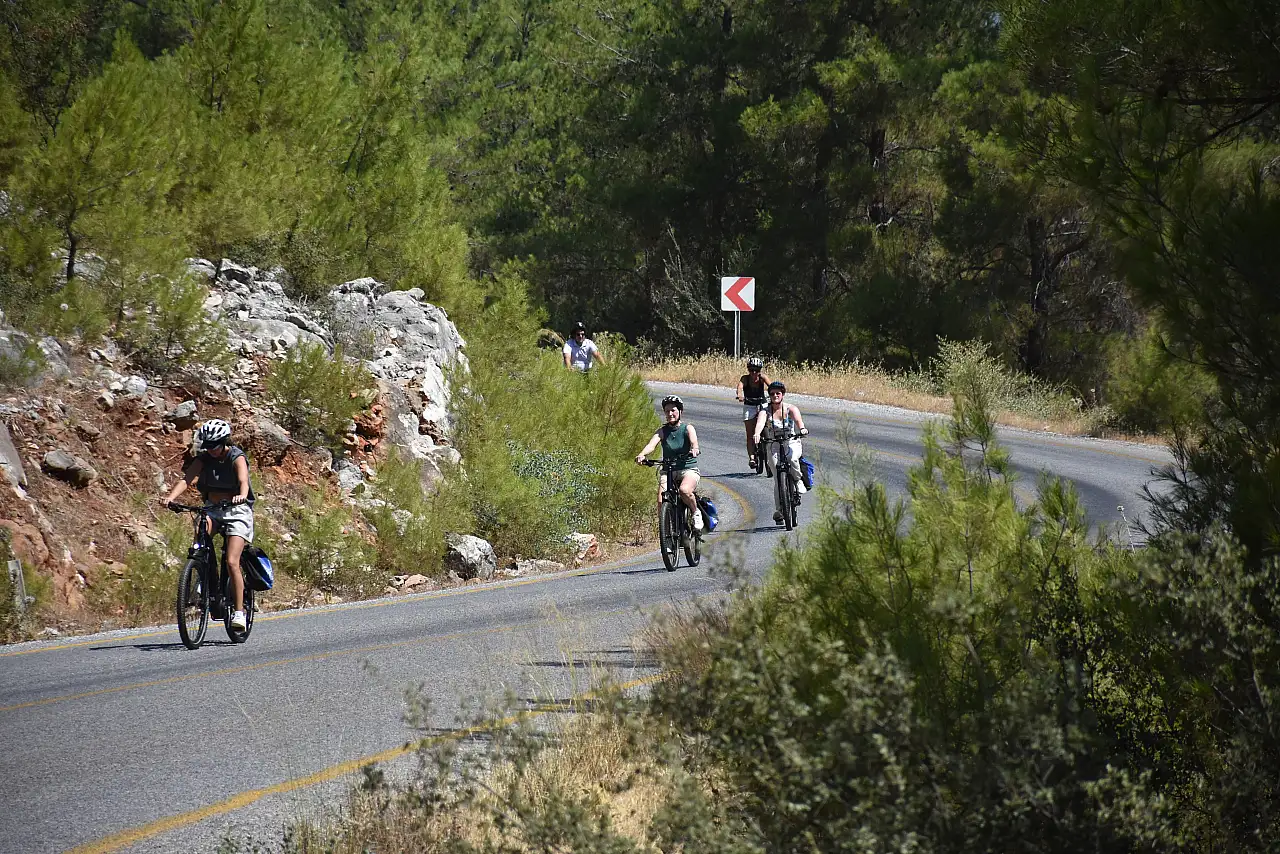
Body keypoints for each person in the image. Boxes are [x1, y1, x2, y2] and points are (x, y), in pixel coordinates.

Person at [159, 419, 255, 630]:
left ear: (224, 441)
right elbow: (187, 479)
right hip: (212, 507)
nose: (211, 450)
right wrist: (170, 497)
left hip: (237, 509)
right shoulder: (203, 458)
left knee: (231, 562)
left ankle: (239, 612)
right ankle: (202, 574)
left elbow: (243, 482)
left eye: (215, 445)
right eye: (207, 446)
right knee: (200, 536)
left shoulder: (236, 456)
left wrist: (241, 496)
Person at [634, 394, 702, 531]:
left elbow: (694, 442)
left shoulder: (687, 428)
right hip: (668, 471)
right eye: (667, 411)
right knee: (661, 500)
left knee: (684, 490)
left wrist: (694, 449)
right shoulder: (662, 431)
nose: (670, 414)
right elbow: (651, 445)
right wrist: (642, 454)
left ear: (680, 412)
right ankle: (667, 534)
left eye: (673, 410)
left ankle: (696, 512)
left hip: (687, 469)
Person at [752, 381, 809, 523]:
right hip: (773, 443)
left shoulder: (791, 408)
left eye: (778, 393)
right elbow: (760, 423)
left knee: (792, 458)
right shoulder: (765, 411)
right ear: (769, 395)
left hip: (791, 441)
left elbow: (798, 421)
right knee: (777, 477)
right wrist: (757, 433)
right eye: (772, 393)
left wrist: (802, 429)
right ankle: (779, 510)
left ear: (783, 394)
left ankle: (797, 480)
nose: (775, 396)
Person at [735, 356, 770, 469]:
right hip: (749, 405)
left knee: (769, 424)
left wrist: (775, 393)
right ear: (748, 370)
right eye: (751, 370)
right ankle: (752, 458)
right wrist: (740, 395)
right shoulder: (745, 379)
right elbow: (739, 388)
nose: (754, 373)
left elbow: (772, 386)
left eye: (757, 370)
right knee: (750, 434)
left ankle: (769, 447)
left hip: (762, 403)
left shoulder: (762, 378)